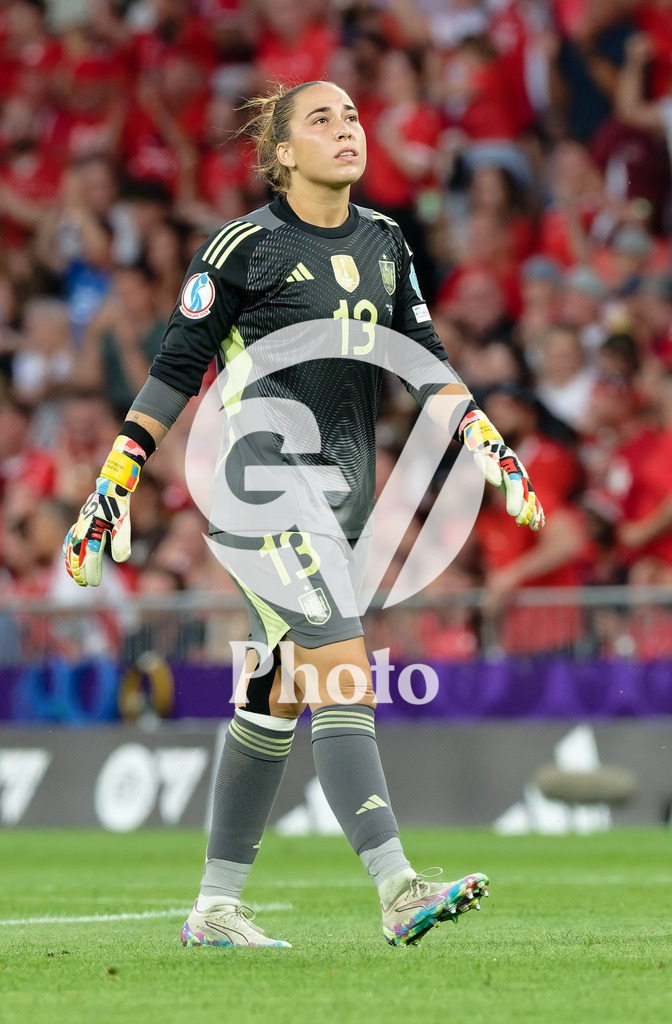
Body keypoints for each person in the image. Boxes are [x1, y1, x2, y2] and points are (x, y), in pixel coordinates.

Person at [62, 80, 544, 949]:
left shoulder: (388, 241)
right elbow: (176, 369)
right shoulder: (246, 245)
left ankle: (213, 907)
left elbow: (425, 360)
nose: (347, 128)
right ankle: (398, 889)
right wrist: (115, 481)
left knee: (277, 692)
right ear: (282, 153)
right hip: (260, 483)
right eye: (321, 119)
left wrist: (489, 444)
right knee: (340, 664)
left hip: (340, 499)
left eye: (354, 114)